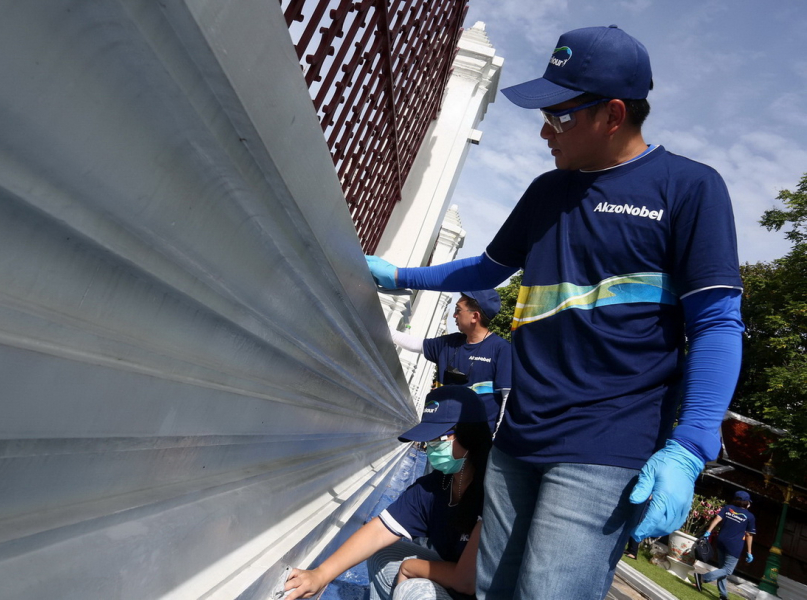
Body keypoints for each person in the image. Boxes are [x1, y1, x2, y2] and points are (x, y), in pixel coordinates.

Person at [365, 24, 744, 600]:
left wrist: (690, 446)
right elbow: (486, 269)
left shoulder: (689, 189)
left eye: (559, 116)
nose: (544, 130)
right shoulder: (547, 192)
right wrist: (400, 277)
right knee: (489, 588)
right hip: (520, 434)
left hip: (607, 442)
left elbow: (716, 323)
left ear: (613, 114)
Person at [284, 386, 492, 600]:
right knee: (382, 554)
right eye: (428, 441)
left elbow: (466, 581)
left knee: (413, 589)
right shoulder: (437, 486)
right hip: (456, 579)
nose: (430, 448)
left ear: (469, 434)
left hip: (480, 591)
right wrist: (320, 575)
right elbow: (379, 531)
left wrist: (410, 567)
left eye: (438, 439)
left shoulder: (492, 491)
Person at [390, 290, 512, 434]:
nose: (454, 315)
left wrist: (498, 436)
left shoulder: (501, 349)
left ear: (475, 316)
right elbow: (415, 344)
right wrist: (381, 325)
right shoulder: (450, 342)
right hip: (439, 432)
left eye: (458, 310)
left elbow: (507, 397)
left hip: (475, 438)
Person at [694, 491, 757, 600]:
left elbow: (717, 519)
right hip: (734, 546)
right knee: (727, 570)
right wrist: (749, 552)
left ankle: (723, 595)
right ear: (747, 502)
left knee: (722, 569)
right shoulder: (750, 516)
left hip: (721, 541)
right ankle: (702, 578)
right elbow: (749, 535)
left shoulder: (728, 508)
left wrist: (708, 532)